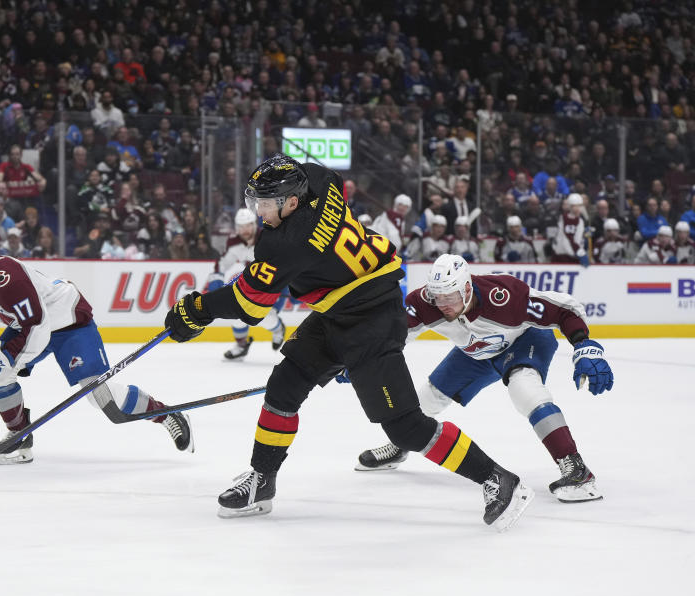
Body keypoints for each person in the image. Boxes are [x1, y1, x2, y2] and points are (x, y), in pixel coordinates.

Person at [162, 154, 533, 531]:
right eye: (254, 201)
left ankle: (497, 478)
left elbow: (248, 306)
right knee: (284, 386)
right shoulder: (319, 181)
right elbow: (325, 181)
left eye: (264, 203)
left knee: (405, 426)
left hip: (372, 320)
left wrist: (196, 310)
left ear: (291, 202)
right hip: (341, 310)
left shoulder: (288, 244)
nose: (258, 211)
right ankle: (262, 481)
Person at [356, 254, 610, 503]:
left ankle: (577, 469)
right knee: (425, 401)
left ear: (467, 289)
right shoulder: (424, 302)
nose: (443, 304)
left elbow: (564, 310)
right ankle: (401, 444)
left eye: (451, 296)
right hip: (474, 351)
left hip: (524, 341)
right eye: (437, 297)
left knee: (525, 390)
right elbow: (391, 335)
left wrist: (583, 345)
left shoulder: (504, 295)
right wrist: (361, 359)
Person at [0, 231, 193, 465]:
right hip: (31, 325)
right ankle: (19, 435)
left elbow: (37, 328)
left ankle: (168, 414)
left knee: (100, 397)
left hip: (69, 323)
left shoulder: (9, 279)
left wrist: (4, 354)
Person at [208, 207, 287, 360]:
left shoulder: (268, 238)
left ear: (254, 224)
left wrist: (286, 286)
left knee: (265, 317)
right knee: (235, 312)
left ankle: (278, 330)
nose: (245, 230)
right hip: (252, 283)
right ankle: (241, 345)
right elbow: (222, 264)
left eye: (248, 225)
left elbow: (283, 264)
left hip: (273, 284)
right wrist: (216, 279)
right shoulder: (233, 242)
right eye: (241, 227)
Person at [548, 193, 589, 265]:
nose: (577, 209)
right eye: (574, 206)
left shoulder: (580, 220)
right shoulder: (564, 219)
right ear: (570, 207)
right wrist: (580, 253)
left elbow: (578, 239)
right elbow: (569, 238)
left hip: (573, 255)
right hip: (563, 257)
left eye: (579, 206)